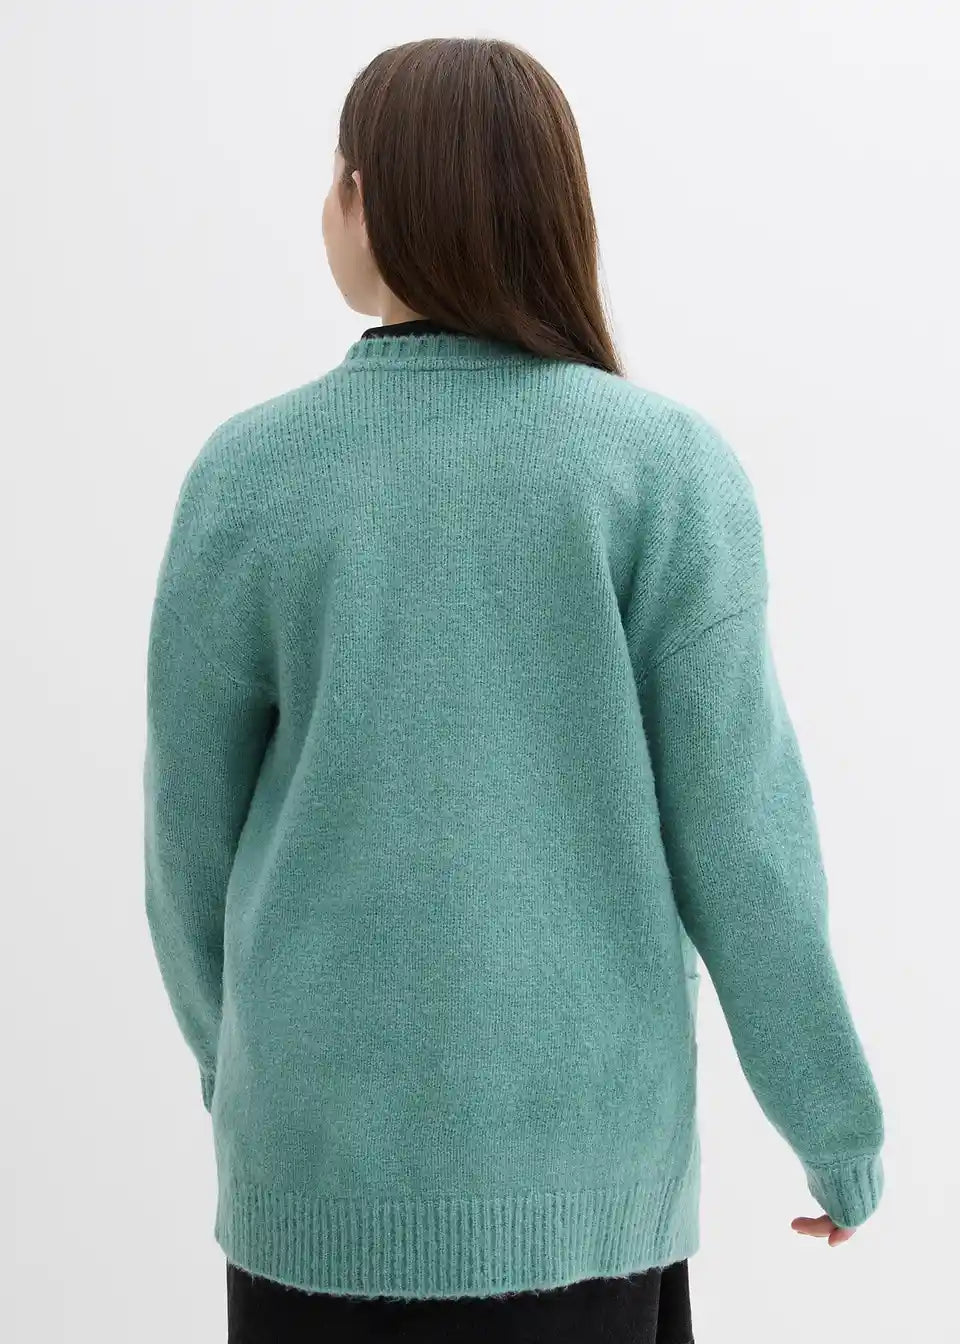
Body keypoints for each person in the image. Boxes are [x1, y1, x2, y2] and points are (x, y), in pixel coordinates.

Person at [143, 35, 885, 1344]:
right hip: (583, 1193)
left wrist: (237, 1069)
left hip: (309, 1180)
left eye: (335, 174)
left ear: (367, 198)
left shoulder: (248, 477)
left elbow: (184, 846)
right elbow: (744, 841)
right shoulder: (662, 468)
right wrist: (834, 1127)